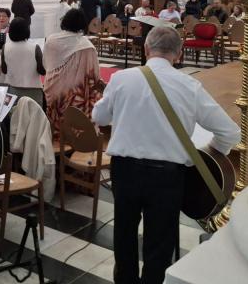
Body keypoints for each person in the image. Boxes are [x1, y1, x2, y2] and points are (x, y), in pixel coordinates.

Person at [93, 26, 240, 284]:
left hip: (125, 171)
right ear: (179, 53)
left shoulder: (122, 79)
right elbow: (230, 132)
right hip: (168, 177)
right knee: (159, 243)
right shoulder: (190, 85)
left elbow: (99, 117)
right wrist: (207, 155)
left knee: (124, 234)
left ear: (146, 49)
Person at [43, 8, 101, 136]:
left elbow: (46, 64)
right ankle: (76, 139)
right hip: (73, 96)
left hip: (53, 92)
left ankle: (56, 139)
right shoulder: (86, 46)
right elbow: (94, 76)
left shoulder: (51, 40)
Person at [1, 17, 45, 107]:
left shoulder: (5, 47)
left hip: (12, 91)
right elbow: (42, 70)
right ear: (27, 30)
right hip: (33, 91)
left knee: (13, 118)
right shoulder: (35, 47)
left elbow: (4, 70)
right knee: (34, 119)